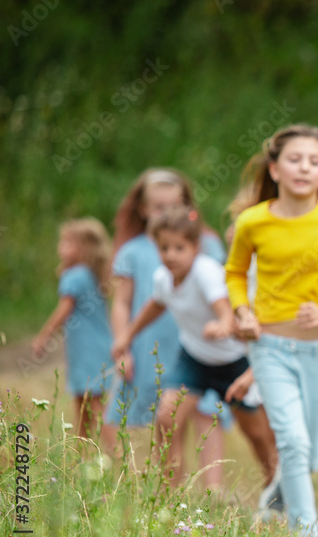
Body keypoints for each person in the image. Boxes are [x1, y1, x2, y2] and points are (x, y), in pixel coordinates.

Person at [225, 124, 318, 537]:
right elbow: (234, 273)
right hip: (269, 347)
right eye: (294, 159)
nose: (304, 168)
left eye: (314, 162)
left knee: (306, 456)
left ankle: (273, 498)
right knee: (291, 441)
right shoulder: (253, 222)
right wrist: (242, 312)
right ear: (274, 169)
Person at [112, 207, 278, 491]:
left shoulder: (206, 273)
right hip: (194, 360)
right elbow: (156, 304)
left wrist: (223, 325)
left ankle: (277, 492)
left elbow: (224, 309)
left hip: (233, 362)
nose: (171, 255)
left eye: (179, 248)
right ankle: (169, 494)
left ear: (196, 247)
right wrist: (127, 334)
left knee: (258, 434)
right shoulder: (163, 277)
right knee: (166, 418)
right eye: (164, 248)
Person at [101, 168, 230, 470]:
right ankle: (165, 491)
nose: (167, 213)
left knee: (206, 410)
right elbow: (122, 302)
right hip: (152, 344)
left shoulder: (207, 245)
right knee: (165, 415)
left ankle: (216, 490)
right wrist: (123, 344)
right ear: (144, 209)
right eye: (159, 207)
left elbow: (221, 291)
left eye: (175, 206)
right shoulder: (132, 251)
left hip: (199, 342)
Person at [32, 218, 114, 445]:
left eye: (68, 243)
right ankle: (81, 457)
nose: (61, 248)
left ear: (84, 248)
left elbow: (63, 310)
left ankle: (120, 458)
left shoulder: (75, 276)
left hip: (87, 351)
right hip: (98, 347)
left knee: (95, 405)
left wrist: (43, 338)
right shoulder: (91, 274)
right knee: (84, 403)